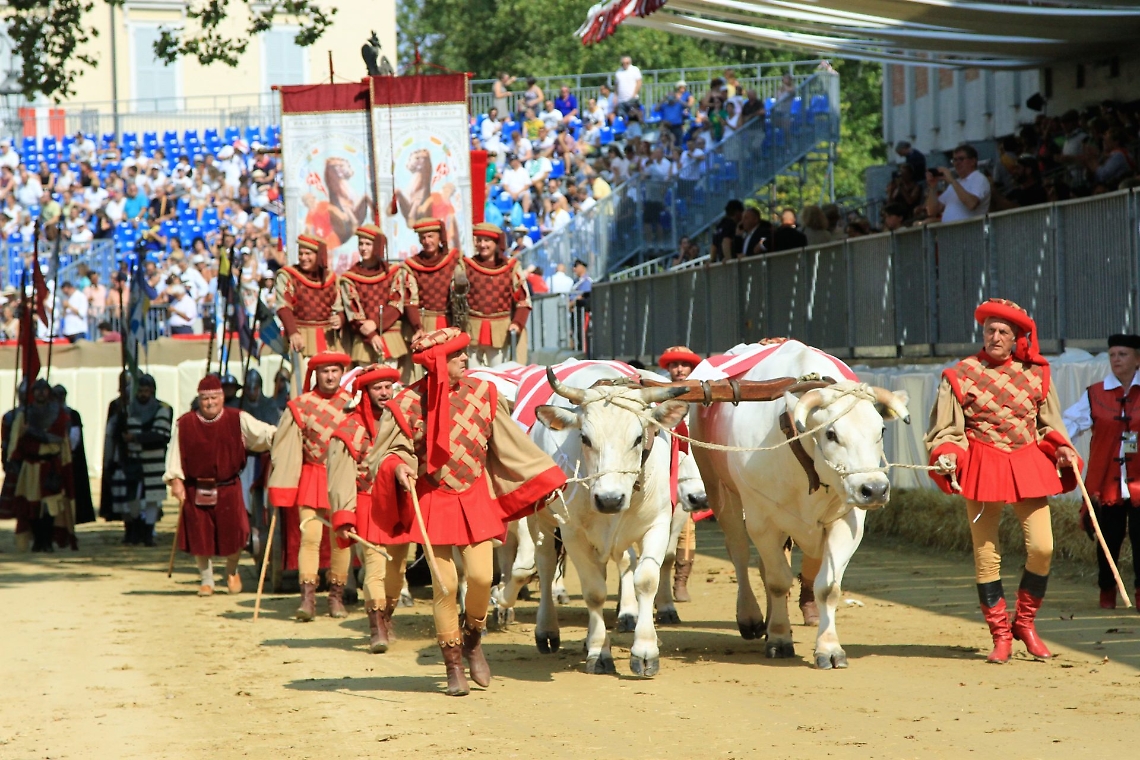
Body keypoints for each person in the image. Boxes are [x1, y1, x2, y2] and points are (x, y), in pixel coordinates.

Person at [368, 327, 566, 695]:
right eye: (457, 355)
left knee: (480, 577)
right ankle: (453, 664)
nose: (465, 359)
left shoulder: (485, 394)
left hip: (474, 495)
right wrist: (398, 467)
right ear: (438, 364)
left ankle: (474, 636)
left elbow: (510, 443)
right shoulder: (407, 403)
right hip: (432, 498)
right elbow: (390, 451)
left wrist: (545, 474)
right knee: (445, 584)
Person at [925, 298, 1079, 663]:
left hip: (1026, 462)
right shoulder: (959, 374)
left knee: (1043, 547)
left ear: (1016, 338)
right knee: (986, 555)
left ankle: (1024, 624)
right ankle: (1000, 635)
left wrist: (1060, 447)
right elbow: (948, 429)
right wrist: (947, 452)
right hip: (983, 463)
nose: (994, 337)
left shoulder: (1037, 373)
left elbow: (1048, 425)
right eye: (989, 330)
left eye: (1003, 332)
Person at [166, 375, 277, 596]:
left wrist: (285, 433)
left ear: (222, 397)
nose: (210, 403)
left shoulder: (238, 419)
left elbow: (264, 434)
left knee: (236, 533)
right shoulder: (185, 423)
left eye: (214, 398)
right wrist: (176, 480)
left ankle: (232, 571)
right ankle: (206, 580)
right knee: (201, 536)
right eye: (205, 399)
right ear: (199, 399)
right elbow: (174, 455)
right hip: (196, 487)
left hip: (228, 487)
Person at [268, 351, 355, 619]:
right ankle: (307, 599)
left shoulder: (354, 404)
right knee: (311, 536)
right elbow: (286, 448)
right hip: (311, 476)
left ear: (342, 373)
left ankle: (336, 597)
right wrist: (282, 480)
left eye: (335, 371)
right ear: (316, 374)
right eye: (324, 371)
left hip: (343, 479)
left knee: (342, 539)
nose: (330, 376)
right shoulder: (300, 406)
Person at [328, 365, 409, 653]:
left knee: (397, 570)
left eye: (388, 386)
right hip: (367, 503)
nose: (385, 392)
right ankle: (376, 628)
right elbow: (340, 477)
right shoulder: (349, 429)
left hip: (398, 505)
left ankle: (386, 618)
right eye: (378, 388)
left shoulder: (403, 422)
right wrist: (345, 515)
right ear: (365, 392)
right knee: (374, 567)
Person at [1063, 334, 1140, 610]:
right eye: (1112, 355)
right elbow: (1067, 424)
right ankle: (1107, 592)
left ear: (1137, 358)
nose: (1116, 359)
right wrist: (1060, 445)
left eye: (1123, 354)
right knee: (1108, 538)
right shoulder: (1095, 394)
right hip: (1106, 482)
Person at [4, 379, 75, 552]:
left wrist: (34, 432)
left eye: (44, 390)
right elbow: (16, 439)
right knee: (32, 505)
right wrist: (12, 460)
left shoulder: (59, 414)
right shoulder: (24, 415)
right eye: (38, 390)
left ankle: (47, 540)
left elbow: (58, 439)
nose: (41, 393)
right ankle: (38, 540)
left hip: (50, 464)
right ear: (32, 393)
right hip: (30, 465)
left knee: (50, 505)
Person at [657, 345, 703, 602]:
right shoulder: (656, 392)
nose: (679, 369)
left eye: (684, 364)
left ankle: (680, 582)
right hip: (661, 467)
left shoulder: (705, 391)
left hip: (691, 467)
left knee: (685, 525)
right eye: (674, 365)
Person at [110, 374, 173, 547]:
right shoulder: (127, 410)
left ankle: (148, 533)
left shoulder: (162, 409)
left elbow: (161, 435)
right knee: (133, 499)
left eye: (147, 390)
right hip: (133, 461)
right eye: (141, 390)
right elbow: (118, 435)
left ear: (152, 391)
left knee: (153, 499)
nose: (144, 394)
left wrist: (136, 437)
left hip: (153, 460)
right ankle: (135, 530)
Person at [338, 224, 407, 373]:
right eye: (361, 244)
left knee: (391, 385)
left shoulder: (393, 272)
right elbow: (353, 311)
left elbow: (396, 304)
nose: (363, 248)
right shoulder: (350, 277)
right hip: (364, 340)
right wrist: (371, 334)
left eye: (368, 244)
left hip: (390, 338)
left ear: (377, 246)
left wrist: (375, 324)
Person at [460, 222, 531, 368]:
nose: (482, 244)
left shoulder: (511, 267)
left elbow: (523, 299)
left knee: (498, 373)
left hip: (501, 331)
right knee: (473, 375)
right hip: (472, 329)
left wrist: (517, 323)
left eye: (487, 240)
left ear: (496, 243)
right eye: (479, 240)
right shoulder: (466, 265)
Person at [394, 217, 464, 349]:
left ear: (439, 237)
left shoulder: (455, 259)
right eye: (423, 237)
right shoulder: (411, 266)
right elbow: (410, 300)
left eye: (431, 236)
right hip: (424, 322)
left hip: (449, 321)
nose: (427, 241)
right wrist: (417, 327)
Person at [275, 235, 343, 359]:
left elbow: (340, 307)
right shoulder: (288, 276)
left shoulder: (332, 279)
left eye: (308, 253)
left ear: (319, 256)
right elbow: (283, 306)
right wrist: (293, 332)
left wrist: (340, 318)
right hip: (301, 337)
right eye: (300, 254)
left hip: (328, 339)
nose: (303, 258)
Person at [52, 386, 95, 530]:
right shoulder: (48, 414)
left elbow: (74, 438)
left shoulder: (72, 415)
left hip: (69, 460)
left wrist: (64, 450)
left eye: (61, 395)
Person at [925, 144, 990, 223]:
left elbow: (972, 204)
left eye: (961, 159)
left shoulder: (979, 178)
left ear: (973, 161)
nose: (957, 163)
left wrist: (952, 180)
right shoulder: (956, 184)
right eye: (954, 160)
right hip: (951, 233)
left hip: (971, 232)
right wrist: (932, 187)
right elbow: (932, 211)